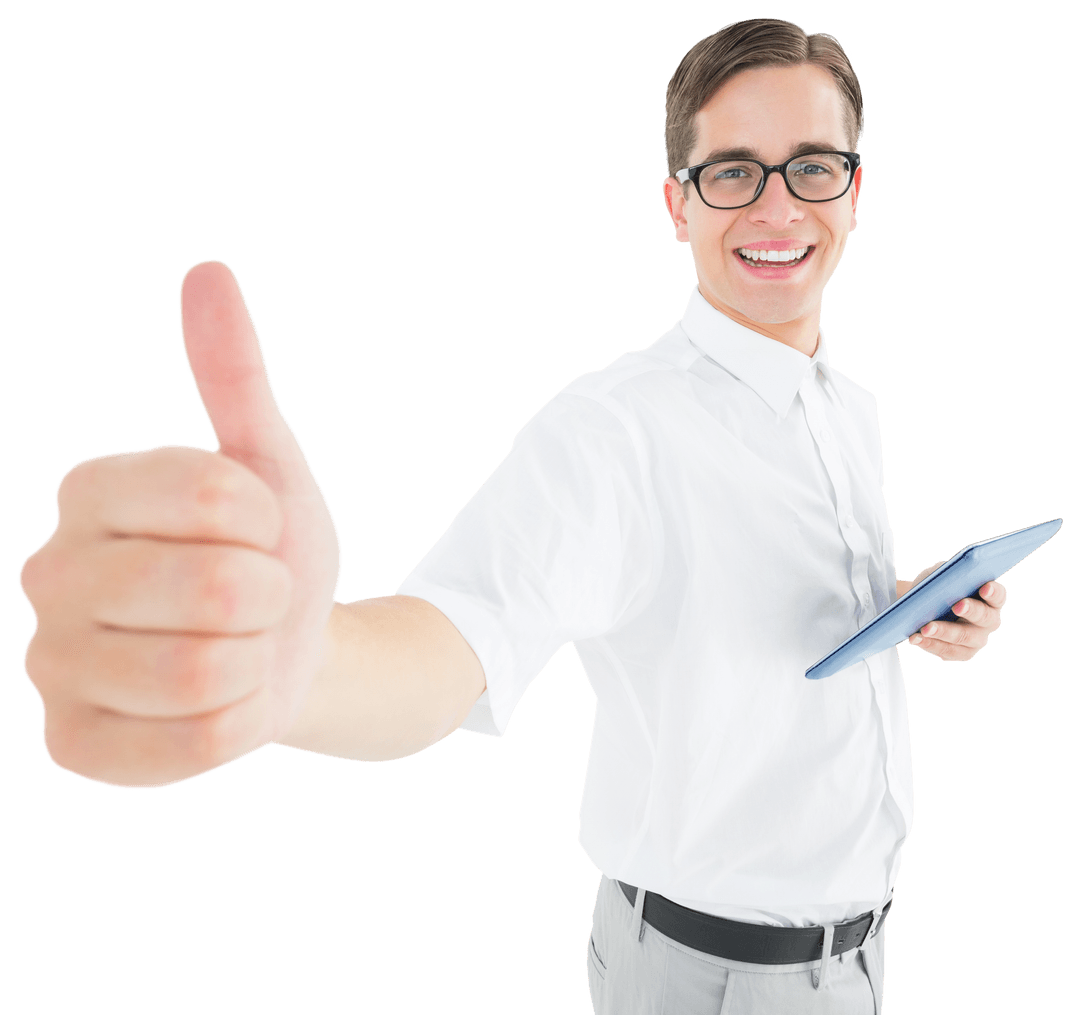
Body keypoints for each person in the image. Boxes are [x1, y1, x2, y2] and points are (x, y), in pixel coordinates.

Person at [18, 18, 1007, 1015]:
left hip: (860, 956)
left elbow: (755, 622)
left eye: (812, 167)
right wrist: (297, 665)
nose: (777, 205)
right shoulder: (618, 428)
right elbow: (457, 639)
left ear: (856, 189)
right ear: (678, 205)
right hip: (721, 982)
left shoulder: (844, 406)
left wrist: (906, 605)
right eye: (733, 173)